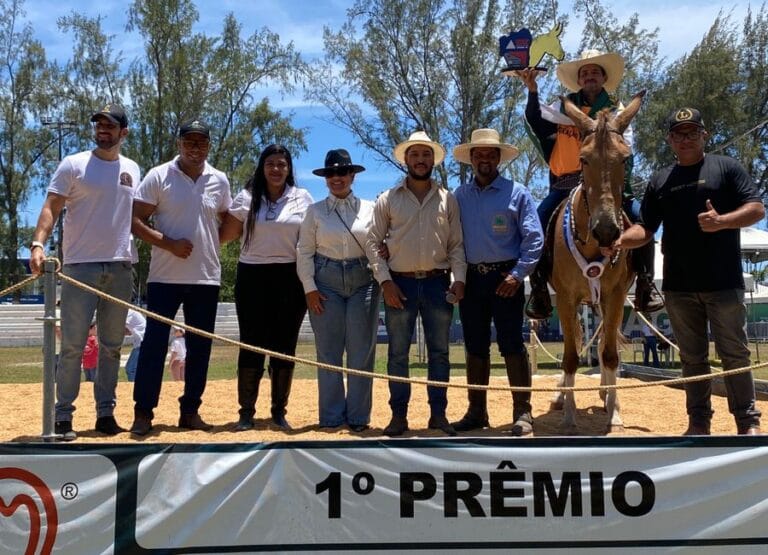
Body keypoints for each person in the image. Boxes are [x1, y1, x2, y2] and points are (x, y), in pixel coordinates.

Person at [609, 107, 763, 436]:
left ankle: (747, 422)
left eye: (692, 132)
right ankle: (698, 422)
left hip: (723, 283)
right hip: (678, 288)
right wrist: (620, 241)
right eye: (679, 133)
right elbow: (646, 229)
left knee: (734, 353)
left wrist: (723, 221)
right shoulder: (660, 180)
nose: (686, 138)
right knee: (692, 359)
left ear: (705, 135)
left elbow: (756, 208)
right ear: (670, 140)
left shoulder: (727, 168)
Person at [521, 50, 662, 319]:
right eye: (584, 73)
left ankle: (646, 282)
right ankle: (539, 288)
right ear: (579, 80)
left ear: (604, 78)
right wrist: (532, 91)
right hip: (564, 184)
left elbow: (624, 150)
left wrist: (620, 186)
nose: (589, 76)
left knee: (641, 223)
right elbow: (535, 119)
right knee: (536, 227)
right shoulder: (560, 110)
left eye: (594, 72)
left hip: (606, 184)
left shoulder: (618, 114)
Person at [29, 103, 139, 440]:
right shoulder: (73, 165)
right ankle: (63, 416)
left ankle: (105, 413)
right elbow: (51, 206)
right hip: (79, 267)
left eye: (110, 126)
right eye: (99, 125)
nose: (103, 131)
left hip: (121, 267)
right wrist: (37, 244)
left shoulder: (133, 169)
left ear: (124, 132)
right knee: (74, 346)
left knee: (111, 346)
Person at [129, 118, 232, 436]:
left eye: (201, 141)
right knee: (154, 346)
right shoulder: (159, 175)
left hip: (205, 278)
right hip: (164, 277)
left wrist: (211, 245)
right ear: (179, 143)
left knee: (200, 349)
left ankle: (190, 411)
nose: (195, 147)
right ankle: (144, 412)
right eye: (189, 141)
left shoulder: (219, 179)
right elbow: (134, 219)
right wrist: (167, 243)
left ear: (209, 145)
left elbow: (227, 218)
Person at [366, 131, 467, 437]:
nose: (421, 160)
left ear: (433, 160)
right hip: (400, 284)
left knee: (440, 353)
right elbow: (372, 242)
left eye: (426, 155)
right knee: (397, 353)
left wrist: (459, 280)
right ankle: (399, 416)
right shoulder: (387, 199)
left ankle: (438, 414)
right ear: (406, 160)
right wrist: (385, 282)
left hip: (438, 285)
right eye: (415, 155)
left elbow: (457, 246)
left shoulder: (448, 199)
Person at [451, 129, 544, 435]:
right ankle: (477, 411)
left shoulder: (518, 192)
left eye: (491, 154)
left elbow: (534, 239)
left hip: (507, 278)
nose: (485, 159)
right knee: (475, 346)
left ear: (499, 158)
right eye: (479, 154)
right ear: (471, 159)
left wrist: (518, 275)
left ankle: (523, 412)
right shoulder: (459, 196)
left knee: (512, 344)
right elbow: (448, 238)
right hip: (472, 279)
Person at [220, 144, 313, 431]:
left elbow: (310, 242)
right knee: (251, 344)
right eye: (270, 163)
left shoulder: (302, 198)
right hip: (253, 277)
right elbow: (225, 236)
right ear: (262, 167)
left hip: (290, 277)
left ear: (289, 169)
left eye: (282, 164)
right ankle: (246, 412)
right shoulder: (247, 197)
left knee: (285, 345)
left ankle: (278, 411)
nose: (276, 169)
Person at [297, 149, 381, 433]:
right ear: (325, 178)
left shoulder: (371, 209)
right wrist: (309, 287)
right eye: (331, 173)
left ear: (352, 175)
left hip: (363, 282)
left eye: (342, 172)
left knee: (361, 351)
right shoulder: (315, 212)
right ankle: (331, 416)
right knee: (329, 351)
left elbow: (380, 247)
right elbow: (304, 252)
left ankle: (358, 417)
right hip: (326, 283)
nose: (337, 178)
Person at [124, 308, 146, 382]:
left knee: (130, 369)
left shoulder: (128, 312)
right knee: (134, 368)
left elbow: (123, 328)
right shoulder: (132, 313)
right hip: (140, 343)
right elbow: (128, 331)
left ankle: (133, 387)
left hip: (141, 343)